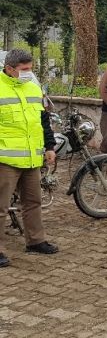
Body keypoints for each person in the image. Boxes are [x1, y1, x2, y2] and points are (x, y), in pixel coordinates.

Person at [0, 50, 59, 268]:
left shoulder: (33, 88)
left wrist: (50, 147)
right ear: (10, 69)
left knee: (33, 202)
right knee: (1, 206)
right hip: (6, 160)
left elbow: (43, 121)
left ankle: (35, 241)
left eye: (30, 69)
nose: (29, 73)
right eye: (25, 70)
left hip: (32, 159)